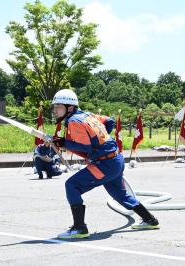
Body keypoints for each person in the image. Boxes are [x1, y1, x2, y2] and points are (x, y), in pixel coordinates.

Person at [50, 89, 159, 239]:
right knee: (120, 194)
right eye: (54, 107)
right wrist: (101, 140)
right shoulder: (87, 115)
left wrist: (63, 142)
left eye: (58, 107)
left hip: (105, 165)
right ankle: (150, 220)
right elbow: (109, 121)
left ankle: (79, 228)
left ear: (70, 108)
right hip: (116, 160)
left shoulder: (74, 121)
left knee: (72, 185)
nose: (55, 110)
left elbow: (85, 147)